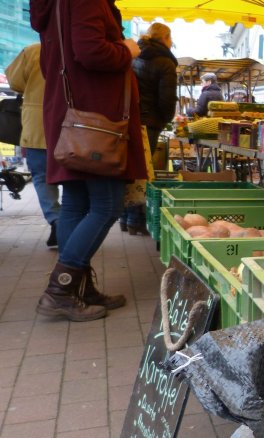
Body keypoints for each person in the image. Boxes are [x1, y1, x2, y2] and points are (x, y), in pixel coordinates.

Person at [30, 0, 145, 321]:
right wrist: (127, 50)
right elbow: (92, 51)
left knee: (76, 203)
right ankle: (61, 291)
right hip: (96, 119)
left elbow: (51, 61)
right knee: (107, 205)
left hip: (73, 116)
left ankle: (78, 289)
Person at [119, 22, 178, 235]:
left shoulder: (135, 56)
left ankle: (125, 218)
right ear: (166, 38)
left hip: (131, 119)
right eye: (171, 39)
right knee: (144, 171)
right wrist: (165, 119)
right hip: (151, 122)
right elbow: (167, 98)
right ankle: (137, 219)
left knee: (131, 168)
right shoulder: (165, 63)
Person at [6, 43, 61, 248]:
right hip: (73, 124)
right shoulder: (78, 45)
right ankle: (73, 225)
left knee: (41, 175)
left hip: (38, 123)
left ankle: (57, 220)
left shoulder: (34, 50)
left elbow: (14, 81)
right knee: (75, 178)